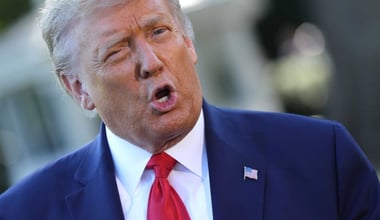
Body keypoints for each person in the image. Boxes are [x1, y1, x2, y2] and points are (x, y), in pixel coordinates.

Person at [0, 0, 379, 219]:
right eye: (116, 51)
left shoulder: (319, 157)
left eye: (159, 32)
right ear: (78, 88)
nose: (150, 61)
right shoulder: (24, 212)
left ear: (190, 43)